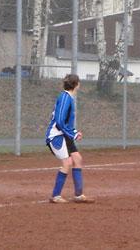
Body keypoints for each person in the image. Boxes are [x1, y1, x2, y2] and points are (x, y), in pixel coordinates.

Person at [45, 74, 94, 204]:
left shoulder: (68, 98)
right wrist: (73, 134)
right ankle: (55, 196)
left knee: (77, 159)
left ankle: (78, 195)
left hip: (64, 134)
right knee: (67, 163)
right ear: (76, 84)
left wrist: (74, 132)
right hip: (56, 135)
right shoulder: (65, 97)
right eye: (79, 82)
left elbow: (65, 123)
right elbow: (60, 121)